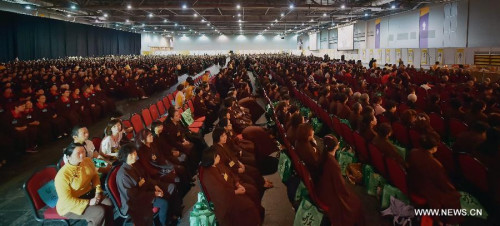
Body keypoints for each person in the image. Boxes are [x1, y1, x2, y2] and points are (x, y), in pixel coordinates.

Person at [200, 146, 263, 226]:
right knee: (248, 206)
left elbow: (229, 172)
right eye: (216, 156)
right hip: (227, 200)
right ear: (210, 159)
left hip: (233, 187)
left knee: (252, 190)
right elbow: (220, 194)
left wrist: (237, 183)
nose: (219, 156)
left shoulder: (217, 164)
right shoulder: (209, 176)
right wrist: (236, 191)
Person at [407, 133, 463, 224]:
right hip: (425, 190)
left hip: (413, 182)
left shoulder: (413, 152)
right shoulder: (435, 164)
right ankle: (446, 221)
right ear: (433, 148)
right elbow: (444, 184)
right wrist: (453, 191)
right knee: (453, 197)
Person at [54, 143, 114, 226]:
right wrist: (89, 202)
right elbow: (67, 200)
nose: (82, 155)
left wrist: (98, 192)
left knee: (108, 203)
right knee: (99, 212)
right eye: (78, 153)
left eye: (83, 151)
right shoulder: (62, 175)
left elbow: (95, 175)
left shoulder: (87, 160)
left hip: (88, 194)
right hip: (70, 205)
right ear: (68, 157)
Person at [116, 143, 170, 226]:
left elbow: (145, 179)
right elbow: (134, 195)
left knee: (166, 193)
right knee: (163, 203)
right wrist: (154, 194)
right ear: (128, 156)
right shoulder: (123, 175)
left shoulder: (134, 165)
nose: (136, 155)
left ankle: (165, 220)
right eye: (134, 153)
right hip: (133, 202)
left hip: (143, 193)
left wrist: (154, 187)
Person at [316, 135, 365, 226]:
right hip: (330, 195)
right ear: (337, 146)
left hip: (322, 189)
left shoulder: (324, 156)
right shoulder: (333, 164)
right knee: (355, 204)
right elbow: (340, 187)